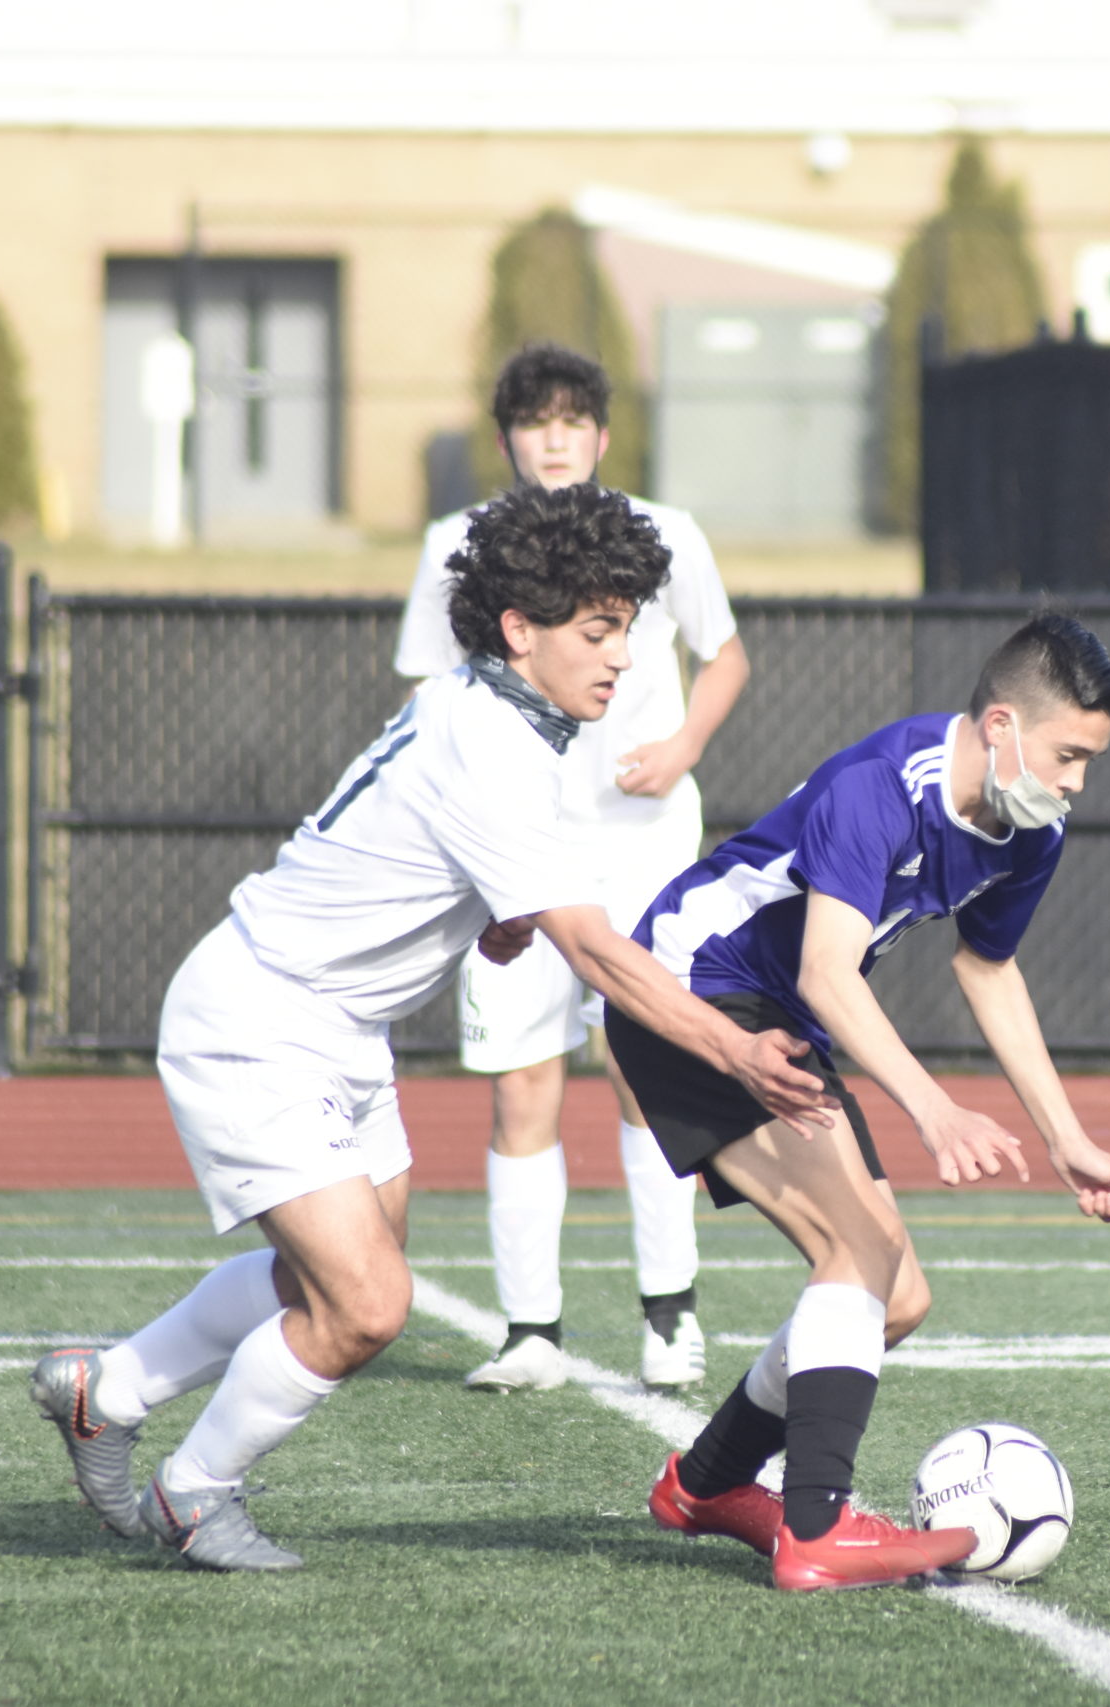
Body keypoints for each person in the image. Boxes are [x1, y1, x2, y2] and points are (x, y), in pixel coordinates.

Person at [27, 482, 829, 1573]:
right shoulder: (495, 744)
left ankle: (107, 1391)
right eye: (599, 632)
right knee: (365, 1307)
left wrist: (495, 918)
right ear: (519, 630)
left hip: (335, 1028)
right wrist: (735, 1049)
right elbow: (594, 952)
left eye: (629, 629)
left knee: (333, 1282)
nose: (625, 659)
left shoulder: (492, 708)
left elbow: (451, 862)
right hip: (259, 1019)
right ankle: (192, 1494)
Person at [609, 611, 1110, 1591]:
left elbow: (988, 969)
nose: (1074, 781)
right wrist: (933, 1109)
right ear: (999, 727)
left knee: (894, 1298)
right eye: (1068, 754)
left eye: (1089, 761)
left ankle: (707, 1484)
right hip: (689, 992)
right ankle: (815, 1530)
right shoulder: (878, 788)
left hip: (780, 1011)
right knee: (855, 1250)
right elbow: (825, 972)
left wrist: (1065, 1139)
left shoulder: (1030, 827)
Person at [395, 342, 749, 1394]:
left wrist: (684, 745)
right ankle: (530, 1332)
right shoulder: (456, 545)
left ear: (600, 436)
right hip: (515, 853)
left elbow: (723, 653)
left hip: (640, 848)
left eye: (572, 419)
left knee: (646, 1067)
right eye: (533, 420)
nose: (554, 437)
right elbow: (426, 693)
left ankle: (668, 1315)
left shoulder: (663, 536)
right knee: (523, 1090)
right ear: (506, 438)